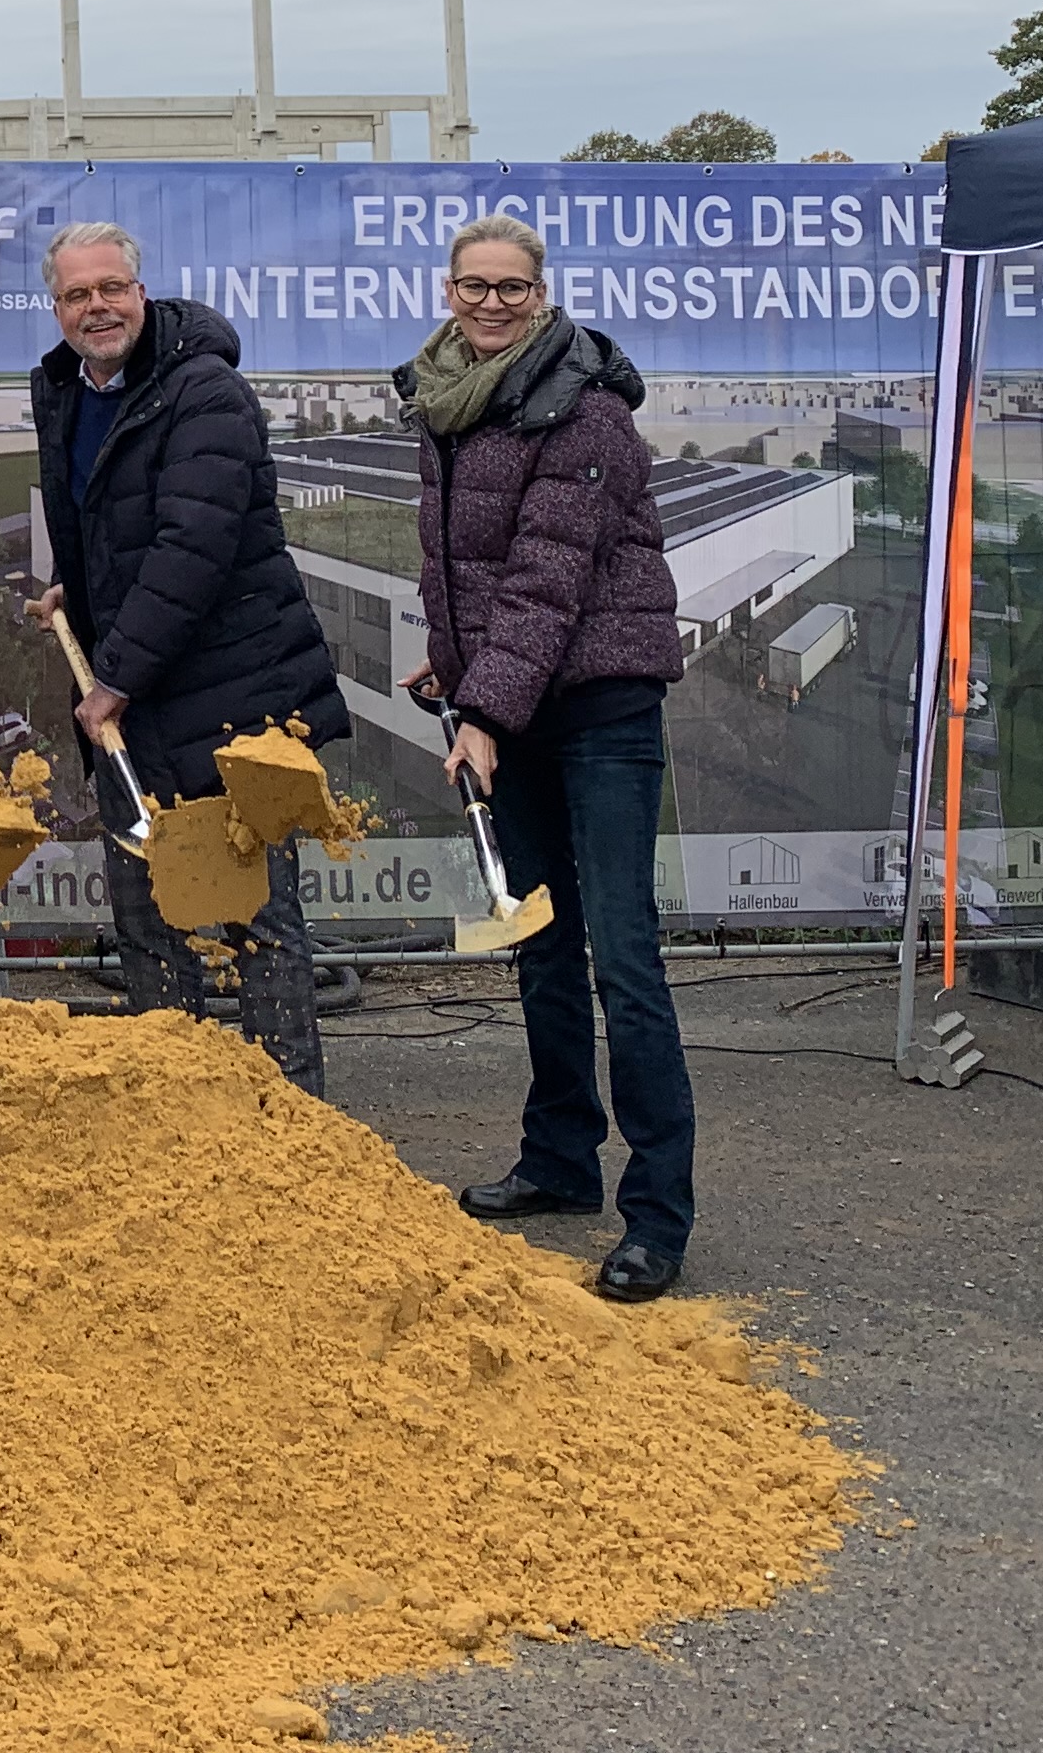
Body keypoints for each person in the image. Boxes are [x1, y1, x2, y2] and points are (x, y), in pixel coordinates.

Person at [398, 211, 696, 1302]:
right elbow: (465, 568)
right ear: (449, 292)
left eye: (511, 288)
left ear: (542, 295)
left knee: (624, 956)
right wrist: (454, 665)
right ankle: (562, 1159)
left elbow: (547, 575)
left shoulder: (588, 409)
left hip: (602, 706)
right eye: (474, 286)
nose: (491, 304)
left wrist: (482, 705)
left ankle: (657, 1214)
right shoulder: (444, 398)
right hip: (514, 699)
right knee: (542, 941)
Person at [24, 221, 335, 1090]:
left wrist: (115, 676)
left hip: (231, 697)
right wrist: (80, 592)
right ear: (56, 308)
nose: (97, 307)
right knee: (151, 918)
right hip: (139, 704)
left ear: (141, 291)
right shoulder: (64, 389)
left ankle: (291, 1123)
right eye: (77, 294)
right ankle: (176, 1111)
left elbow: (191, 547)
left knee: (254, 919)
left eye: (111, 288)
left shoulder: (204, 389)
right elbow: (109, 522)